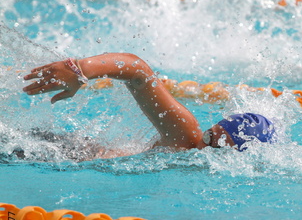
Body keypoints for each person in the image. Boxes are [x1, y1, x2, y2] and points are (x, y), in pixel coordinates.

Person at [22, 53, 275, 155]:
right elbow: (137, 70)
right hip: (59, 152)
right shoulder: (186, 137)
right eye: (209, 135)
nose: (202, 146)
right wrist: (81, 70)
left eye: (215, 145)